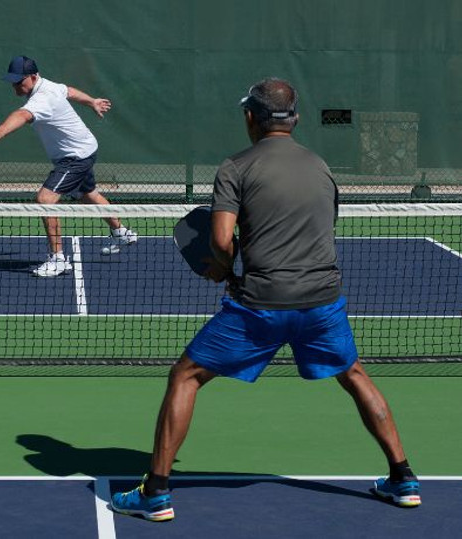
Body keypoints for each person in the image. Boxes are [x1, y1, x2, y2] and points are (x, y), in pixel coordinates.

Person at [110, 78, 420, 522]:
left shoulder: (236, 167)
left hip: (260, 304)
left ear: (250, 118)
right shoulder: (320, 166)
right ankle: (403, 477)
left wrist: (223, 269)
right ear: (293, 119)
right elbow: (319, 230)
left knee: (185, 376)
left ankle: (155, 492)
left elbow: (219, 241)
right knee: (353, 374)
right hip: (322, 301)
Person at [0, 55, 137, 278]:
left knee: (45, 200)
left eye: (19, 81)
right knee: (88, 194)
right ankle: (120, 231)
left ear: (33, 77)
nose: (15, 85)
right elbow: (70, 91)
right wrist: (92, 101)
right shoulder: (49, 86)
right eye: (13, 81)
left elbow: (21, 115)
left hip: (75, 157)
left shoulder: (41, 99)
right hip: (85, 148)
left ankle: (58, 259)